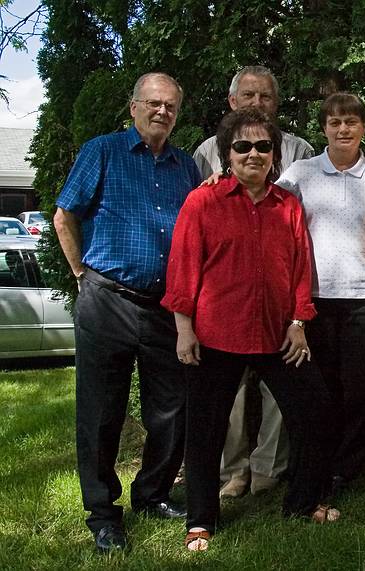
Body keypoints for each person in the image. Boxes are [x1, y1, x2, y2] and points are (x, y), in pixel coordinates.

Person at [162, 108, 339, 552]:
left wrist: (299, 322)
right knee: (205, 430)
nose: (253, 154)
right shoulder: (202, 203)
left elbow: (300, 268)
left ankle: (301, 503)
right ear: (227, 154)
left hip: (277, 335)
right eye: (243, 146)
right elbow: (183, 269)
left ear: (275, 155)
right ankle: (201, 520)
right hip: (216, 336)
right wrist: (184, 328)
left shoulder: (289, 206)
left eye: (263, 146)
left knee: (314, 412)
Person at [53, 72, 202, 553]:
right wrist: (81, 275)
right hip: (107, 300)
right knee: (100, 411)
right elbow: (64, 214)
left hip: (164, 308)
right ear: (134, 107)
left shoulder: (185, 166)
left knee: (171, 408)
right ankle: (101, 512)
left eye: (171, 106)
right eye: (153, 103)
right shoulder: (103, 151)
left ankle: (153, 494)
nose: (162, 111)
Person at [193, 66, 314, 498]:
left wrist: (299, 313)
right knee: (231, 395)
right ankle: (233, 470)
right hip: (227, 299)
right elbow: (200, 219)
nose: (256, 103)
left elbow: (297, 217)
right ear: (231, 101)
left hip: (277, 294)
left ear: (275, 104)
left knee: (280, 385)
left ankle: (268, 466)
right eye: (248, 95)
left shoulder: (299, 148)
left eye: (265, 97)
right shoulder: (206, 150)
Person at [276, 93, 365, 494]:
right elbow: (262, 202)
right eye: (334, 122)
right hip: (315, 300)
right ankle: (316, 463)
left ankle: (348, 466)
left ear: (363, 126)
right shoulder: (300, 173)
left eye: (351, 122)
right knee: (318, 388)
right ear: (323, 128)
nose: (343, 129)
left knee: (358, 388)